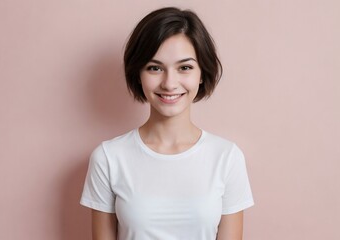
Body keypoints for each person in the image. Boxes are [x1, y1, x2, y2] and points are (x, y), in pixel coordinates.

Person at [80, 7, 254, 240]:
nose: (170, 83)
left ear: (201, 74)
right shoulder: (108, 158)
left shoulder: (227, 157)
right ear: (138, 74)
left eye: (185, 67)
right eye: (155, 68)